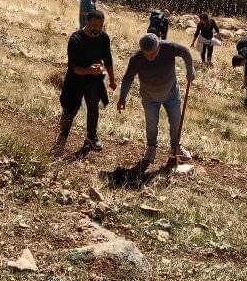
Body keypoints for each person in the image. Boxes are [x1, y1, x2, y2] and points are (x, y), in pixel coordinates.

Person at [117, 33, 194, 165]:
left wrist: (190, 69)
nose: (150, 57)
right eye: (146, 54)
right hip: (149, 97)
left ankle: (176, 146)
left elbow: (185, 52)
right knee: (151, 124)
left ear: (159, 46)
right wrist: (122, 97)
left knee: (176, 122)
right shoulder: (136, 58)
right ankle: (151, 148)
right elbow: (128, 77)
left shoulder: (169, 48)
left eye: (153, 53)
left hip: (171, 93)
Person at [55, 10, 116, 153]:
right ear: (87, 22)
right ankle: (62, 138)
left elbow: (108, 59)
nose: (97, 28)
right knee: (70, 110)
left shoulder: (104, 38)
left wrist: (112, 80)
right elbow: (73, 67)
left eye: (100, 26)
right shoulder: (76, 39)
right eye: (94, 25)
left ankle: (91, 137)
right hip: (75, 80)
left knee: (93, 109)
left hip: (94, 80)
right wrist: (89, 70)